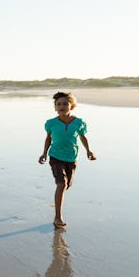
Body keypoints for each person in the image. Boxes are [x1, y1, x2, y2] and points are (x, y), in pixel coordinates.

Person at [38, 92, 96, 228]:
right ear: (55, 107)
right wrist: (44, 153)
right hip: (55, 157)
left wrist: (89, 151)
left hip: (71, 157)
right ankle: (58, 216)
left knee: (67, 185)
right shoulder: (51, 123)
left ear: (72, 106)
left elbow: (83, 137)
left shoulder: (79, 123)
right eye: (59, 104)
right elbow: (48, 138)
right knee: (62, 184)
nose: (62, 106)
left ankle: (58, 198)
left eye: (65, 104)